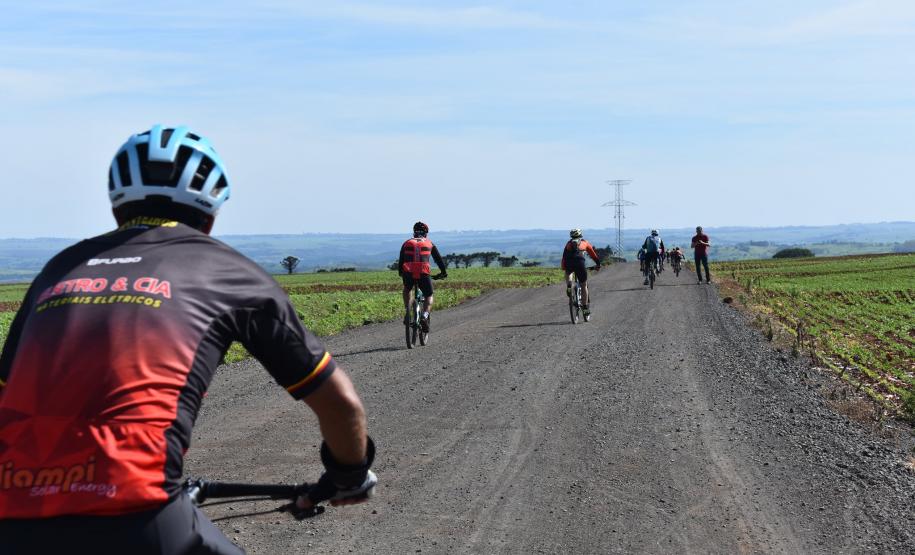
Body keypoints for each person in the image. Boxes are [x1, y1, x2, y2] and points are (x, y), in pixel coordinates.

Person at [0, 125, 376, 555]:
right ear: (211, 213)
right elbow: (339, 402)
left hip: (13, 513)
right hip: (138, 513)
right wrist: (349, 473)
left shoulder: (59, 268)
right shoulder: (227, 270)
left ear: (117, 208)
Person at [399, 221, 447, 332]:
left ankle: (407, 311)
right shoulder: (430, 243)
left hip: (408, 270)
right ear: (426, 233)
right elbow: (439, 260)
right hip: (423, 270)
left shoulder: (406, 243)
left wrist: (401, 273)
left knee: (407, 289)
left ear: (414, 232)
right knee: (429, 295)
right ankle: (425, 316)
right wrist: (443, 273)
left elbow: (401, 260)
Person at [561, 229, 601, 319]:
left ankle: (569, 285)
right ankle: (585, 308)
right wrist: (598, 264)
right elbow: (593, 255)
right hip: (580, 263)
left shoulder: (568, 244)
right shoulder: (585, 243)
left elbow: (564, 258)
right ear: (581, 235)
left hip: (569, 263)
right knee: (584, 285)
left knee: (569, 271)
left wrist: (564, 267)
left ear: (571, 236)